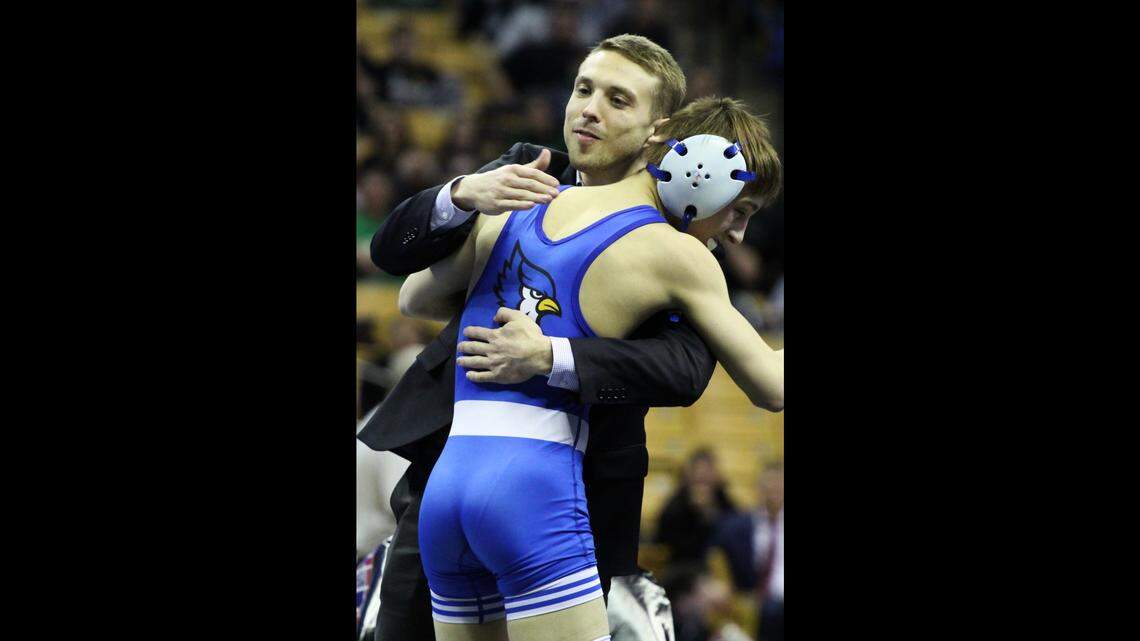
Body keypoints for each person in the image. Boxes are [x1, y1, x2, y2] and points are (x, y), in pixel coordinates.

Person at [359, 34, 717, 641]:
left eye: (617, 99)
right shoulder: (527, 170)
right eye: (583, 89)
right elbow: (392, 255)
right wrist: (462, 193)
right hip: (448, 474)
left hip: (577, 491)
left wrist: (551, 355)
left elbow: (683, 368)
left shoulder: (667, 234)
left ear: (658, 130)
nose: (589, 109)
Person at [398, 95, 784, 639]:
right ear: (707, 174)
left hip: (448, 488)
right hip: (532, 492)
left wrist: (465, 197)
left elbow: (412, 299)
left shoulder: (518, 202)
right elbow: (772, 386)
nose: (738, 234)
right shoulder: (676, 253)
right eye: (738, 210)